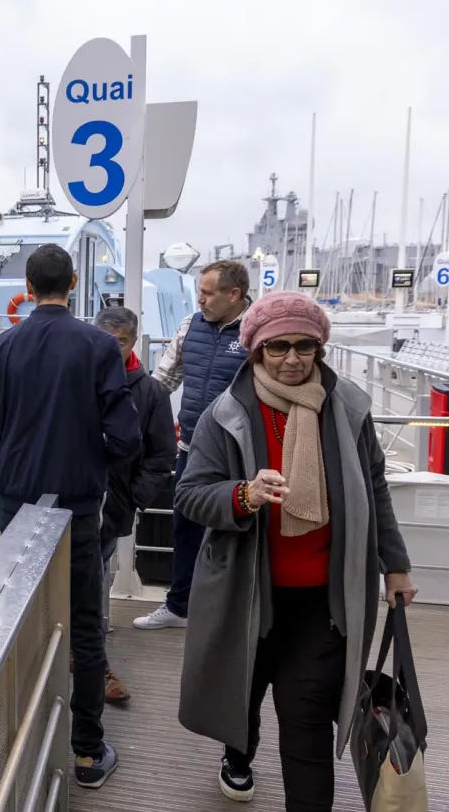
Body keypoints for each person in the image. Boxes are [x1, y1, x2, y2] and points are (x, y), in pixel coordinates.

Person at [173, 291, 417, 810]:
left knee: (305, 718)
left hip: (323, 602)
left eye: (304, 346)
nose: (291, 359)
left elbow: (374, 487)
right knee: (243, 696)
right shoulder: (226, 413)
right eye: (277, 347)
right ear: (256, 351)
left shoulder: (348, 408)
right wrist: (244, 494)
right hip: (247, 593)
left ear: (319, 349)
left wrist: (394, 565)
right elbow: (190, 494)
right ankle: (237, 754)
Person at [0, 243, 141, 789]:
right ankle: (88, 754)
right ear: (73, 282)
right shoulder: (99, 346)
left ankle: (14, 744)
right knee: (86, 627)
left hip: (18, 505)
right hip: (77, 508)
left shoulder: (0, 349)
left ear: (28, 285)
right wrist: (83, 451)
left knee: (17, 622)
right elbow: (125, 438)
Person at [133, 259, 251, 631]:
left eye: (206, 293)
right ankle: (179, 607)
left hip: (239, 456)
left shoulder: (256, 332)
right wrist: (133, 418)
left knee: (240, 531)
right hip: (191, 449)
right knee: (185, 527)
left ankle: (235, 613)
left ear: (234, 295)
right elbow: (163, 379)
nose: (198, 299)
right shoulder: (190, 326)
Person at [94, 306, 177, 705]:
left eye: (121, 343)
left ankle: (93, 660)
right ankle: (89, 653)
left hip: (113, 505)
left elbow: (162, 454)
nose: (112, 351)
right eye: (106, 342)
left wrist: (134, 496)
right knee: (88, 579)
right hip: (72, 500)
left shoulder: (151, 392)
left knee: (95, 576)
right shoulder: (78, 381)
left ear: (133, 341)